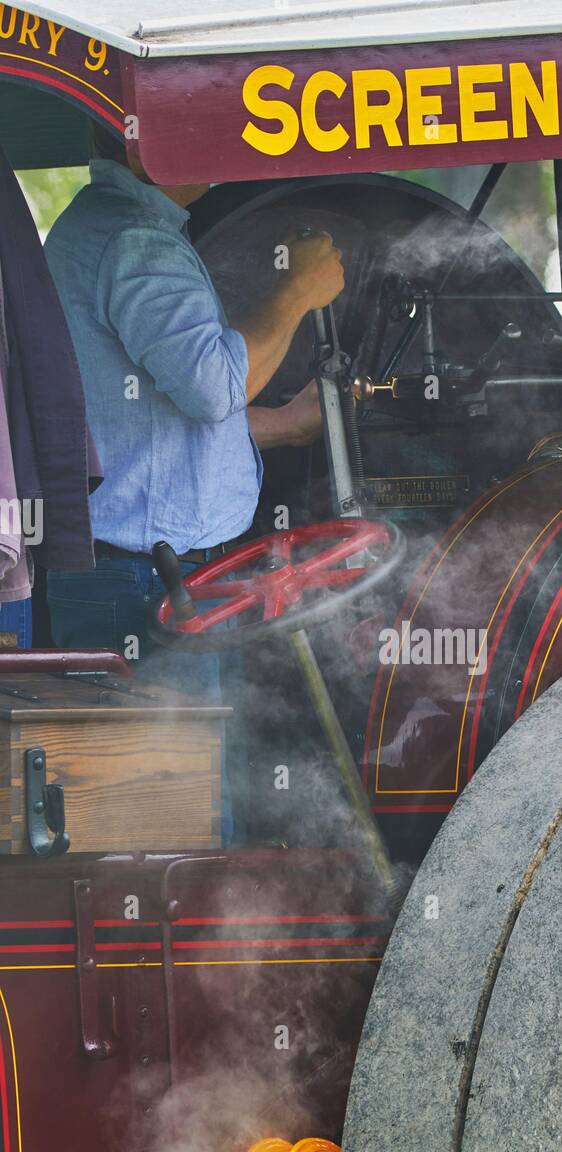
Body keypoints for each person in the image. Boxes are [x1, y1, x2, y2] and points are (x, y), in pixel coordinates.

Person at [43, 124, 344, 840]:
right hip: (148, 582)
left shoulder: (106, 228)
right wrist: (296, 291)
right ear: (144, 143)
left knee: (160, 808)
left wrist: (280, 423)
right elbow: (212, 389)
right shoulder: (135, 243)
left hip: (130, 569)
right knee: (178, 816)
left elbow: (140, 425)